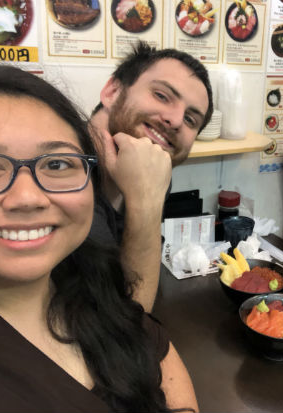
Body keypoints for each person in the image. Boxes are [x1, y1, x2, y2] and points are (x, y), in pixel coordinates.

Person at [0, 64, 198, 412]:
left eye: (55, 164)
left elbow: (139, 328)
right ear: (111, 91)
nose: (28, 197)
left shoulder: (83, 270)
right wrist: (146, 199)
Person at [89, 42, 213, 312]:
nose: (177, 120)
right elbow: (130, 312)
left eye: (191, 120)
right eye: (161, 95)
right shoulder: (62, 176)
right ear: (113, 91)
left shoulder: (153, 166)